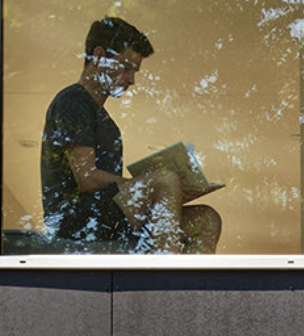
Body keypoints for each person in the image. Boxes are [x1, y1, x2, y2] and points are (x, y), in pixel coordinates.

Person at [40, 16, 222, 253]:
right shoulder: (72, 101)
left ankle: (189, 286)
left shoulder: (108, 123)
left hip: (107, 218)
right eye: (126, 68)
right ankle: (162, 275)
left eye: (134, 71)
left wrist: (173, 192)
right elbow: (86, 177)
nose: (131, 80)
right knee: (164, 180)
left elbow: (112, 192)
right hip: (74, 221)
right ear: (98, 56)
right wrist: (153, 185)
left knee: (207, 220)